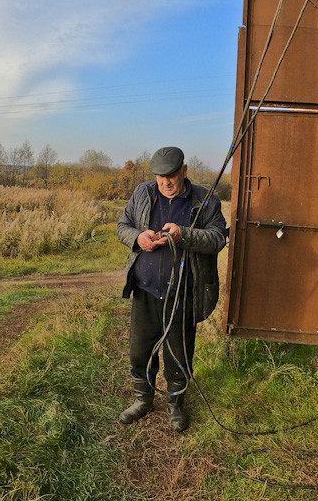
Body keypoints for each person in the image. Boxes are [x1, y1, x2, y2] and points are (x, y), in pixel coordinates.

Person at [116, 146, 227, 431]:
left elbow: (217, 239)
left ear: (184, 171)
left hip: (183, 294)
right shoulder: (143, 193)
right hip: (146, 290)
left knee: (179, 354)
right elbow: (123, 225)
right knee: (140, 352)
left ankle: (175, 405)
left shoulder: (205, 200)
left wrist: (184, 233)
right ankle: (143, 400)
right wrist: (138, 237)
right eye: (160, 176)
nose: (165, 182)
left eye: (171, 175)